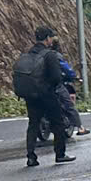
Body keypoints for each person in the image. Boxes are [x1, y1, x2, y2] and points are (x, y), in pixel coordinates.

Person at [13, 25, 73, 166]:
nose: (52, 40)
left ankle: (31, 157)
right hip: (47, 94)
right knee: (58, 123)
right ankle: (60, 154)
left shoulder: (27, 55)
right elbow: (56, 77)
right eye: (51, 37)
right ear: (47, 38)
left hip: (30, 95)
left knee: (33, 124)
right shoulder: (49, 55)